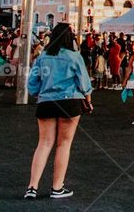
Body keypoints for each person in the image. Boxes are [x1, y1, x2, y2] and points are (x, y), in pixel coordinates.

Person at [25, 23, 93, 200]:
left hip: (46, 102)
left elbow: (32, 84)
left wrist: (41, 91)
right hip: (70, 101)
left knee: (44, 143)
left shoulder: (43, 56)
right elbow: (85, 84)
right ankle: (57, 188)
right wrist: (88, 101)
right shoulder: (74, 56)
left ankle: (32, 187)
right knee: (63, 144)